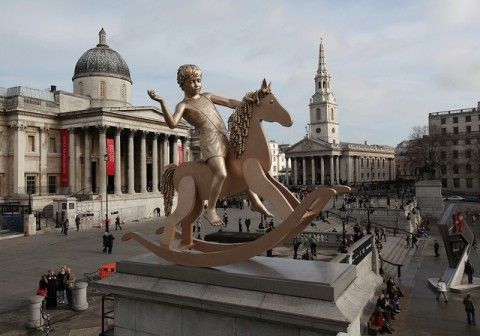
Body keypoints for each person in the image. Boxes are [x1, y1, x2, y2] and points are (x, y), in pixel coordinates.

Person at [148, 64, 254, 227]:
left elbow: (228, 102)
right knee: (221, 173)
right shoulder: (183, 105)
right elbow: (172, 123)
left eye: (199, 80)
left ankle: (254, 201)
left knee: (240, 167)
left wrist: (246, 103)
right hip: (209, 140)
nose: (197, 84)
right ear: (183, 84)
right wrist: (162, 102)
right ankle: (210, 209)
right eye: (192, 81)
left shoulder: (208, 96)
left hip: (224, 136)